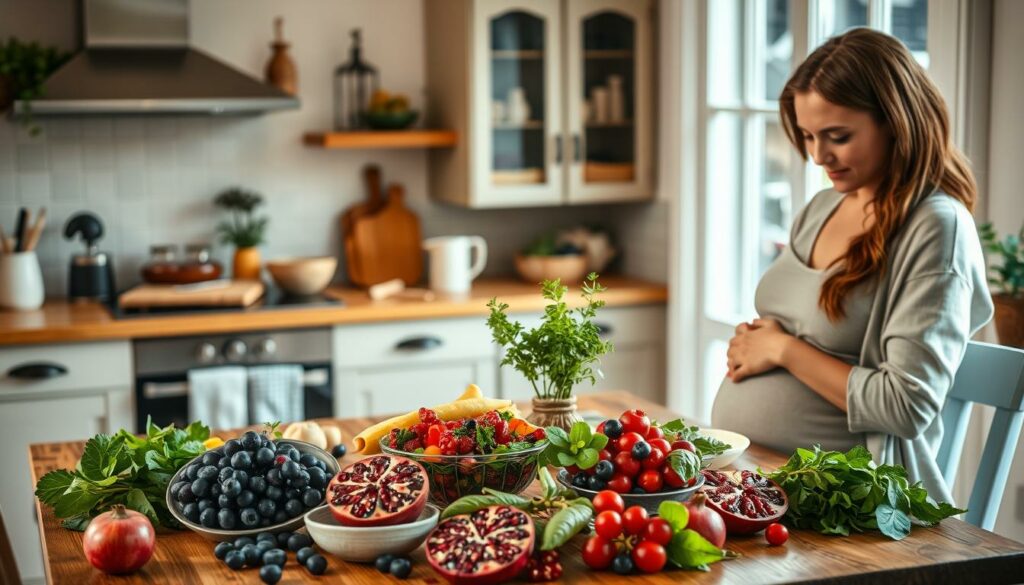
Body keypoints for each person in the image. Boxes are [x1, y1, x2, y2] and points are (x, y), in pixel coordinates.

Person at [710, 28, 993, 504]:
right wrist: (760, 341)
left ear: (895, 121)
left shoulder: (936, 228)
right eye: (807, 136)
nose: (819, 156)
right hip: (758, 481)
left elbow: (905, 406)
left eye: (838, 136)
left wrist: (781, 350)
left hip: (851, 504)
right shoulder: (822, 207)